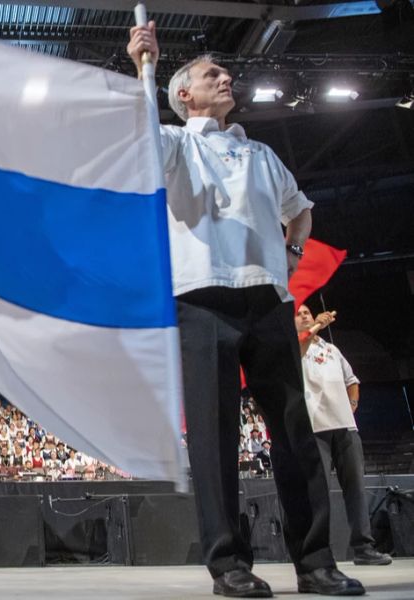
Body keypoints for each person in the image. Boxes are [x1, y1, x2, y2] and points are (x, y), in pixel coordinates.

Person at [127, 23, 363, 597]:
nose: (227, 76)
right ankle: (228, 566)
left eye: (225, 72)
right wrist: (145, 70)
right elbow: (138, 142)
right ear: (185, 95)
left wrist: (293, 249)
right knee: (214, 441)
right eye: (213, 74)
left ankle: (315, 564)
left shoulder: (261, 154)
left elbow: (300, 210)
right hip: (203, 299)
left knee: (295, 435)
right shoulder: (176, 144)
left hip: (268, 299)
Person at [295, 305, 392, 566]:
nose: (305, 315)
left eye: (307, 312)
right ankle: (319, 552)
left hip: (346, 427)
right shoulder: (295, 348)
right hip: (316, 428)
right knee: (319, 493)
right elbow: (299, 347)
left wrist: (353, 403)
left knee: (356, 490)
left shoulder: (331, 349)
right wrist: (315, 326)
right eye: (299, 314)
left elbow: (353, 379)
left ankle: (363, 547)